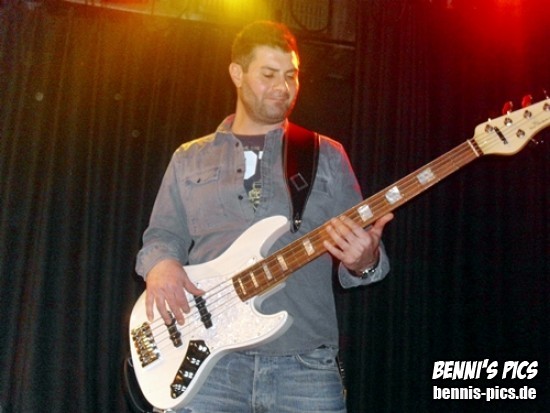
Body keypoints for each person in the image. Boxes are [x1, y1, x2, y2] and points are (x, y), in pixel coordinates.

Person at [135, 20, 393, 413]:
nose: (283, 87)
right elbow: (161, 236)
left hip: (304, 362)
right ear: (237, 74)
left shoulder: (326, 155)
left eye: (291, 75)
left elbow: (361, 260)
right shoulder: (190, 157)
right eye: (269, 74)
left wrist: (364, 260)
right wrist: (161, 266)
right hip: (208, 364)